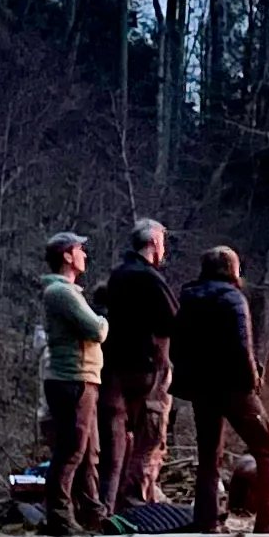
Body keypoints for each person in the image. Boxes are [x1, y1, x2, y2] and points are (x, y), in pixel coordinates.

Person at [172, 246, 269, 533]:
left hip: (201, 386)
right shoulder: (233, 299)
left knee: (209, 454)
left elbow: (178, 343)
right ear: (231, 269)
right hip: (234, 386)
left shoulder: (189, 298)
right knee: (268, 446)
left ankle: (206, 520)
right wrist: (253, 379)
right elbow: (242, 346)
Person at [96, 220, 179, 515]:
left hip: (113, 368)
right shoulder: (150, 279)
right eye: (162, 244)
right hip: (145, 370)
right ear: (154, 244)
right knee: (149, 440)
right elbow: (174, 322)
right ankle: (137, 503)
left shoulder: (117, 276)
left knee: (114, 445)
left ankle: (107, 506)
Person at [33, 233, 109, 535]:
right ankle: (60, 517)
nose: (85, 255)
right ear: (67, 256)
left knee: (89, 452)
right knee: (71, 451)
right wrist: (104, 320)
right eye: (80, 250)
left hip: (81, 379)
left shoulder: (66, 292)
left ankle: (92, 513)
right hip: (72, 379)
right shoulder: (61, 293)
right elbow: (96, 330)